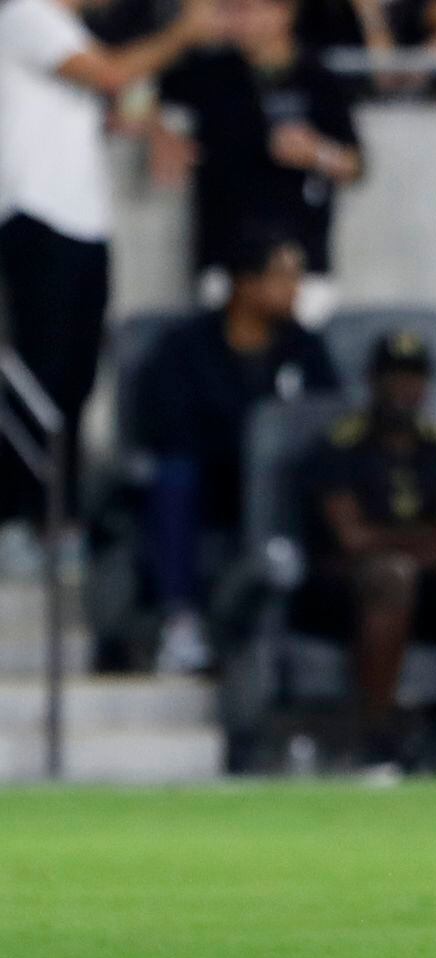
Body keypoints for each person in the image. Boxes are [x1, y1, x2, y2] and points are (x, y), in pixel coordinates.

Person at [0, 0, 217, 570]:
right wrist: (184, 33)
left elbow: (121, 98)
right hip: (38, 217)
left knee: (77, 379)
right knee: (41, 379)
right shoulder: (25, 13)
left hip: (83, 222)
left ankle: (60, 519)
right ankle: (19, 518)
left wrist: (157, 125)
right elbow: (113, 73)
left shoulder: (71, 31)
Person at [292, 330, 436, 764]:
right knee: (391, 574)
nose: (403, 389)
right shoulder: (340, 448)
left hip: (429, 582)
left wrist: (413, 548)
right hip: (344, 589)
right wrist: (417, 545)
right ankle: (378, 737)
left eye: (413, 378)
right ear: (372, 382)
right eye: (393, 378)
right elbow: (351, 539)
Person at [135, 233, 337, 673]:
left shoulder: (305, 347)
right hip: (214, 483)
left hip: (282, 487)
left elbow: (328, 419)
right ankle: (180, 622)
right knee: (173, 478)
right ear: (246, 283)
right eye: (284, 277)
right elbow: (166, 423)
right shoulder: (186, 347)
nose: (296, 289)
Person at [151, 0, 363, 325]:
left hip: (303, 259)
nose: (240, 19)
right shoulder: (209, 72)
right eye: (234, 9)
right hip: (227, 255)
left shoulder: (317, 78)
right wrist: (159, 130)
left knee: (300, 361)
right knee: (227, 363)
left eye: (250, 8)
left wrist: (317, 152)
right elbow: (141, 90)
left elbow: (356, 164)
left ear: (284, 12)